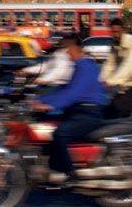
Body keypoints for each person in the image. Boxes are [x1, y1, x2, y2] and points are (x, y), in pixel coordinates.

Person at [31, 33, 107, 182]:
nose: (65, 53)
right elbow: (64, 90)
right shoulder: (79, 66)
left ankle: (70, 173)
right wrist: (38, 101)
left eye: (66, 49)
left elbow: (73, 93)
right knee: (46, 122)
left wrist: (50, 105)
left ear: (73, 48)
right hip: (78, 110)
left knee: (60, 134)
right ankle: (51, 165)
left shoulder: (86, 66)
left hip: (88, 112)